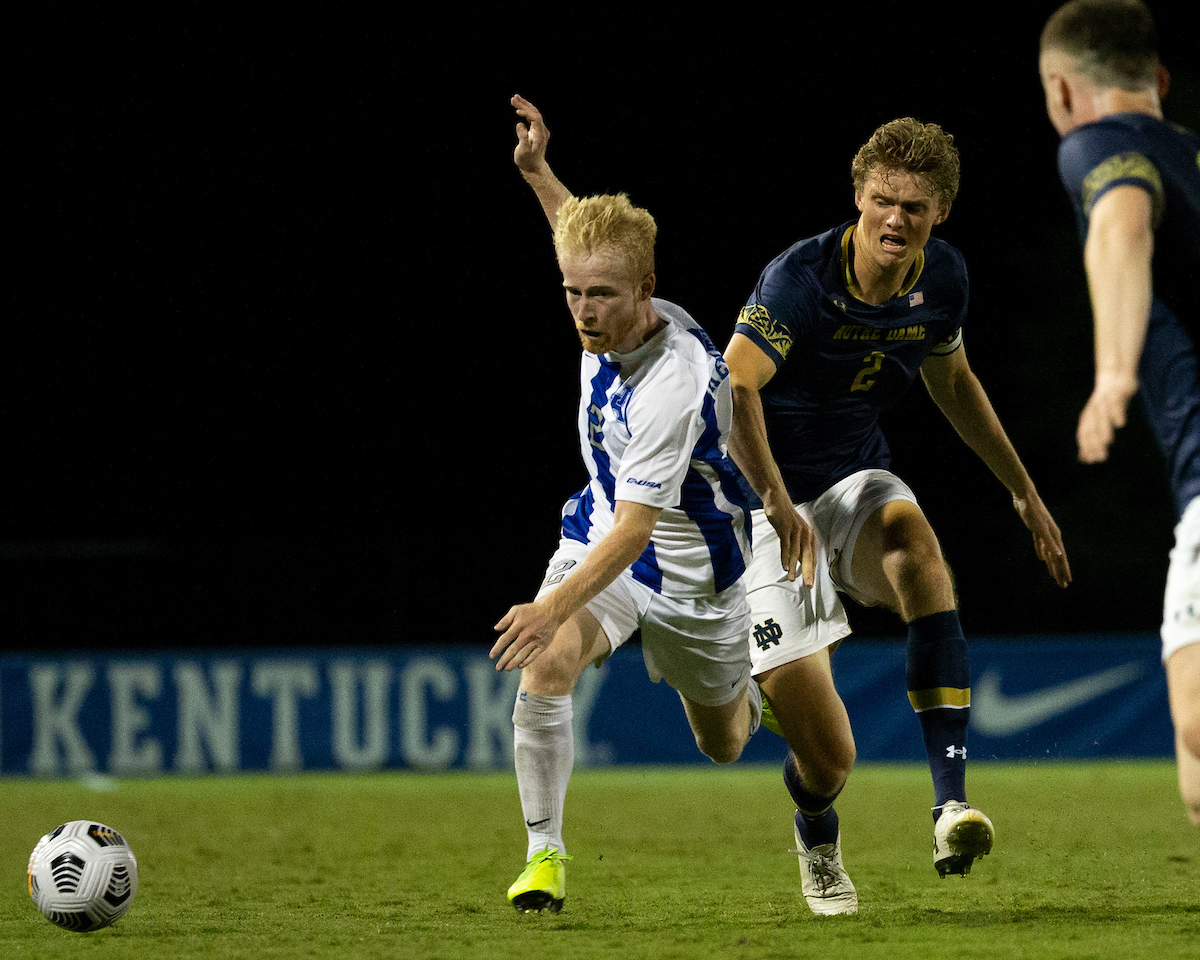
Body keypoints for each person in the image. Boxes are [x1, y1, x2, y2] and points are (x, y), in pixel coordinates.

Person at [725, 117, 1073, 912]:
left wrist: (1023, 491)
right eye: (883, 200)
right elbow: (735, 386)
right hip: (762, 503)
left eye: (915, 207)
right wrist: (775, 502)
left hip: (851, 482)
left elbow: (953, 381)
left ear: (940, 212)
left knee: (917, 547)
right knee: (828, 759)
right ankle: (817, 834)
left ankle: (950, 807)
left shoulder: (943, 277)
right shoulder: (798, 280)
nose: (895, 219)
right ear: (858, 197)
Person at [491, 94, 763, 914]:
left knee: (723, 744)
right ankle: (543, 857)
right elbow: (577, 233)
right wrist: (538, 172)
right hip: (603, 529)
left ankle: (754, 693)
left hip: (692, 566)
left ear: (647, 289)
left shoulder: (672, 382)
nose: (583, 311)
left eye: (601, 296)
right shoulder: (602, 299)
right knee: (547, 665)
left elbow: (640, 533)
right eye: (572, 292)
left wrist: (547, 607)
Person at [1039, 0, 1200, 828]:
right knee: (1194, 769)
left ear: (1063, 90)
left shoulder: (1095, 143)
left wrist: (1112, 374)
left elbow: (1122, 223)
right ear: (1159, 79)